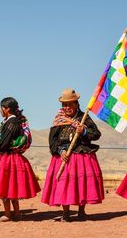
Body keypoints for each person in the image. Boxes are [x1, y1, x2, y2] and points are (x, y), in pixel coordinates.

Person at [41, 88, 103, 222]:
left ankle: (81, 211)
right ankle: (66, 213)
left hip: (81, 155)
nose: (67, 107)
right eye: (64, 104)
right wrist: (60, 151)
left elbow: (96, 134)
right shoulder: (59, 120)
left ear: (76, 104)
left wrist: (85, 131)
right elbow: (52, 140)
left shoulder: (84, 118)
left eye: (70, 104)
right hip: (64, 156)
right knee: (64, 185)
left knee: (81, 184)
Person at [0, 97, 41, 222]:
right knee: (12, 187)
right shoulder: (14, 121)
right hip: (13, 158)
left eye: (1, 108)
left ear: (7, 109)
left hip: (7, 158)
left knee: (5, 186)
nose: (0, 110)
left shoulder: (11, 123)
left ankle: (8, 214)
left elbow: (4, 142)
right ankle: (17, 213)